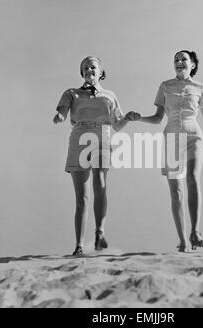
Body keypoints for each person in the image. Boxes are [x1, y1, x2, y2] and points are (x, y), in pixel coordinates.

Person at [127, 50, 203, 252]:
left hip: (194, 137)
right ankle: (183, 241)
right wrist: (139, 117)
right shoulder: (165, 86)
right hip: (172, 138)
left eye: (183, 59)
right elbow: (157, 118)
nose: (179, 62)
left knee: (192, 177)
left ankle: (196, 232)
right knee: (176, 192)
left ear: (192, 65)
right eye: (176, 60)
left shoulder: (200, 87)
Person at [53, 56, 137, 256]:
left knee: (100, 183)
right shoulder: (71, 93)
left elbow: (117, 125)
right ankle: (79, 246)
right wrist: (60, 116)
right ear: (82, 73)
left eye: (93, 66)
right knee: (81, 197)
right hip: (80, 139)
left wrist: (127, 117)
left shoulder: (109, 95)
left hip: (102, 138)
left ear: (101, 72)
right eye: (85, 67)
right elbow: (63, 112)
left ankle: (100, 232)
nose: (89, 69)